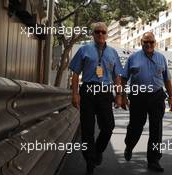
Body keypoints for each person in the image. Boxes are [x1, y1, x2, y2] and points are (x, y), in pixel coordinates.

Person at [69, 22, 123, 175]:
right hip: (88, 90)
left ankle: (97, 151)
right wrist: (75, 94)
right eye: (97, 32)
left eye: (103, 32)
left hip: (105, 92)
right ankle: (90, 162)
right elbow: (75, 74)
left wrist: (119, 95)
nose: (100, 34)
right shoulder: (84, 50)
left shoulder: (113, 52)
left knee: (108, 127)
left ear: (107, 34)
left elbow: (117, 76)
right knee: (87, 129)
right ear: (92, 34)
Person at [122, 32, 172, 172]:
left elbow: (167, 79)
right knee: (135, 127)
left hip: (156, 96)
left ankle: (154, 160)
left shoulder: (161, 58)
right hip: (138, 96)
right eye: (146, 42)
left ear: (155, 43)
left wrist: (171, 97)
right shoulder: (133, 58)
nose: (149, 44)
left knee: (156, 129)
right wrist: (122, 96)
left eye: (151, 42)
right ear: (141, 42)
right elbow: (124, 78)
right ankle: (129, 145)